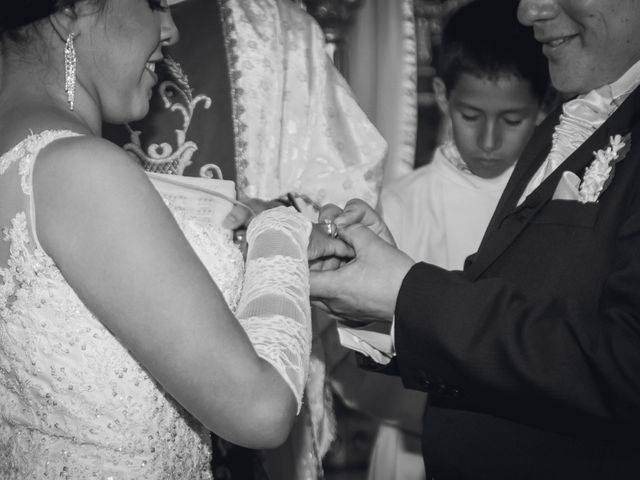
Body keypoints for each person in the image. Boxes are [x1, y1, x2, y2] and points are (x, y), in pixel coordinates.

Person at [0, 1, 350, 478]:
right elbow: (260, 412)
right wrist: (281, 232)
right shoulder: (83, 171)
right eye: (153, 2)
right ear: (71, 10)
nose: (169, 29)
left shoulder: (22, 157)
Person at [311, 0, 640, 478]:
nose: (528, 12)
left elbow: (625, 365)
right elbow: (526, 294)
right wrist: (381, 285)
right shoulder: (571, 121)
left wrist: (408, 292)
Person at [102, 1, 387, 478]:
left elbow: (345, 187)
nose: (166, 29)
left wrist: (288, 218)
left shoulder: (278, 30)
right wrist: (280, 231)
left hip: (244, 376)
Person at [347, 1, 549, 478]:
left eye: (513, 120)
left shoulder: (551, 202)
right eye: (471, 115)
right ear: (441, 94)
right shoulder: (399, 204)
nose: (489, 140)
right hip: (415, 444)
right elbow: (365, 346)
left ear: (543, 108)